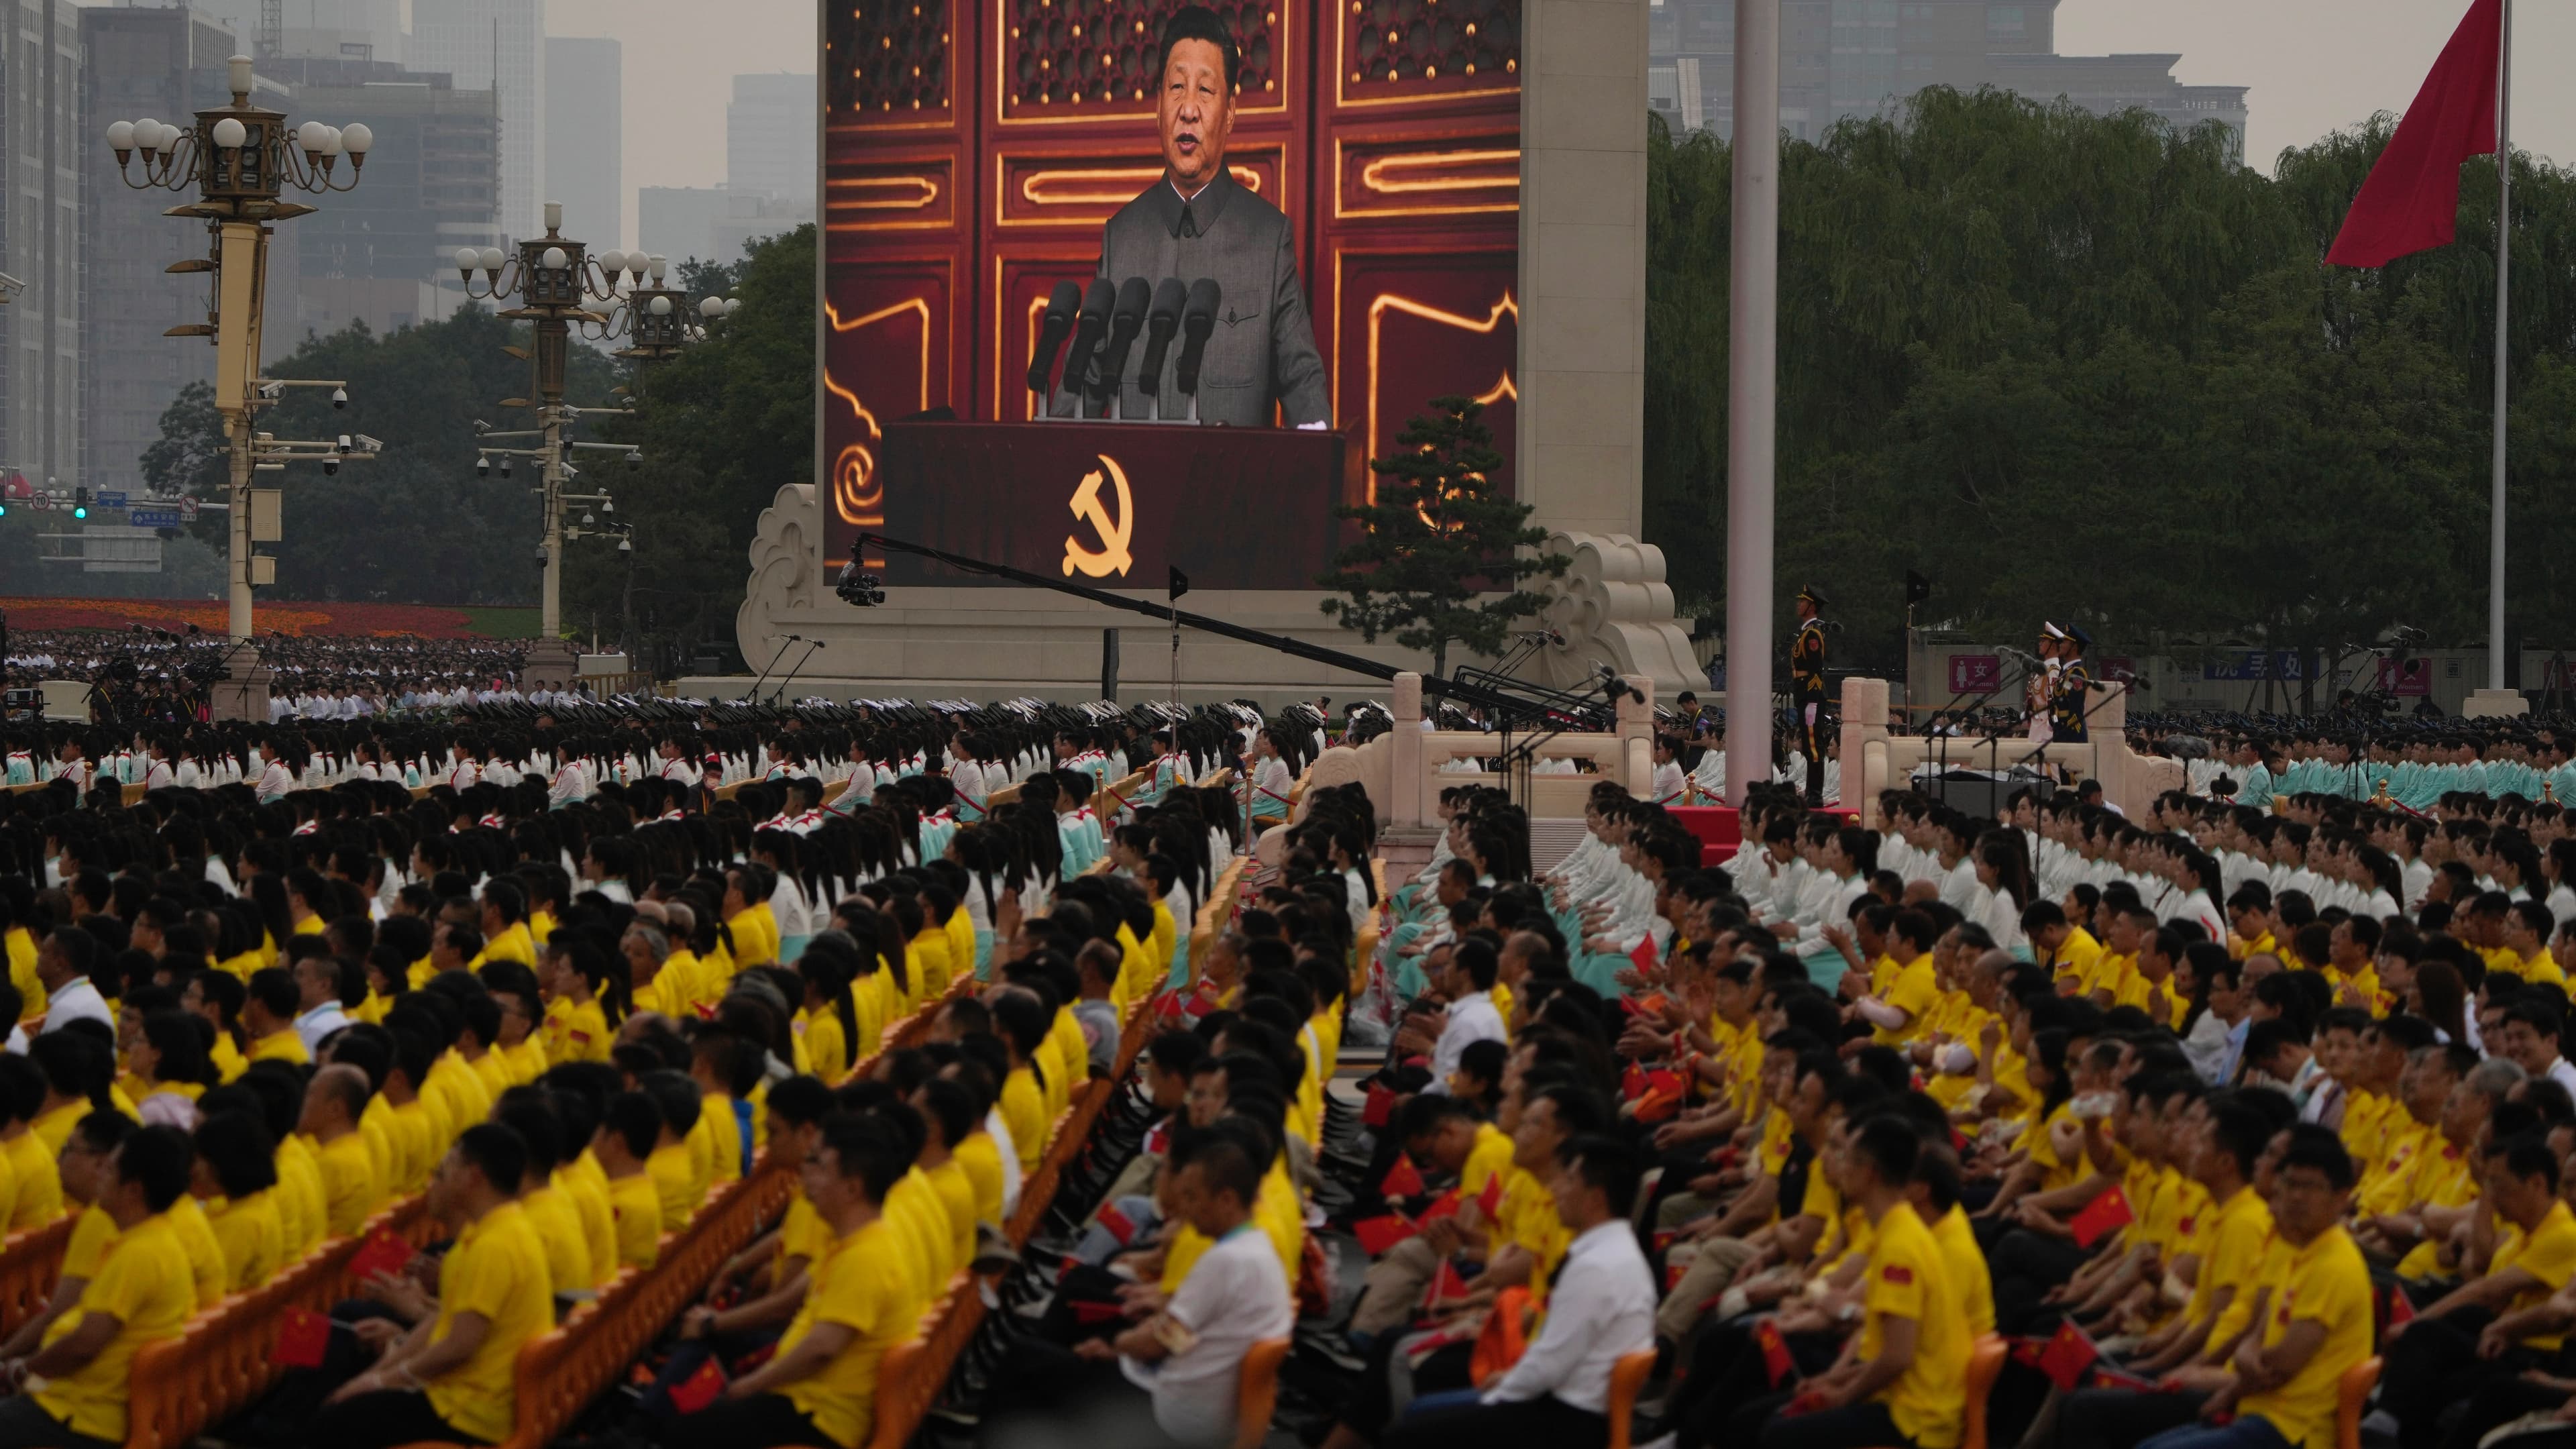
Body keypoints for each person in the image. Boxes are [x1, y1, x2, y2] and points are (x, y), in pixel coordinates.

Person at [1049, 5, 1328, 429]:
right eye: (1177, 87)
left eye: (1206, 91)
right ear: (1159, 104)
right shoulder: (1122, 238)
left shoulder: (1269, 241)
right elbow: (1081, 391)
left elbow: (1302, 385)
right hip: (1134, 491)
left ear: (1231, 111)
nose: (1189, 109)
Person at [1379, 1134, 1655, 1449]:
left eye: (1568, 1181)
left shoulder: (1596, 1267)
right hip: (1575, 1410)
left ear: (1595, 1198)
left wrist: (1503, 1386)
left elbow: (1550, 1364)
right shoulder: (1618, 1253)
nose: (1556, 1190)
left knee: (1411, 1429)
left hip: (1566, 1422)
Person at [301, 1123, 555, 1449]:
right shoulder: (489, 1234)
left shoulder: (497, 1245)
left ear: (472, 1178)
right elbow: (442, 1322)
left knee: (335, 1424)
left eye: (443, 1173)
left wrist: (387, 1380)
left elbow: (458, 1346)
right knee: (340, 1403)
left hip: (469, 1412)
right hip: (456, 1397)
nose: (433, 1183)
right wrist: (376, 1377)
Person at [1790, 585, 1830, 806]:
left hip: (1810, 695)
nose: (1799, 604)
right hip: (1803, 694)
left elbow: (1816, 670)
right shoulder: (1805, 633)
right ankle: (1812, 791)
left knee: (1814, 745)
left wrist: (1813, 701)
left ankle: (1816, 794)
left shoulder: (1813, 634)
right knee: (1808, 744)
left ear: (1812, 606)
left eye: (1803, 601)